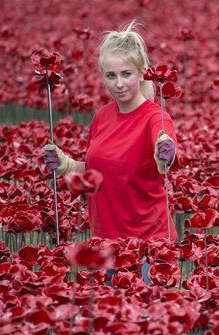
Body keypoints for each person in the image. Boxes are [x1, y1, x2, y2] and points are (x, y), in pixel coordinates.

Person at [43, 20, 178, 285]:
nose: (119, 84)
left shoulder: (156, 118)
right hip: (105, 242)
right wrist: (66, 164)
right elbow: (98, 169)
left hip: (147, 247)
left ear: (142, 73)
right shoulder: (101, 117)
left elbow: (165, 152)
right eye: (111, 76)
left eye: (126, 74)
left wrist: (165, 148)